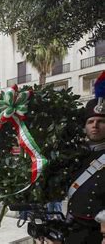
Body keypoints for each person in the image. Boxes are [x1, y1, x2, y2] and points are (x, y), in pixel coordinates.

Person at [57, 72, 105, 244]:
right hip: (73, 230)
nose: (95, 126)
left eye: (101, 121)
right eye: (90, 121)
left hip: (100, 234)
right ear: (84, 126)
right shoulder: (75, 154)